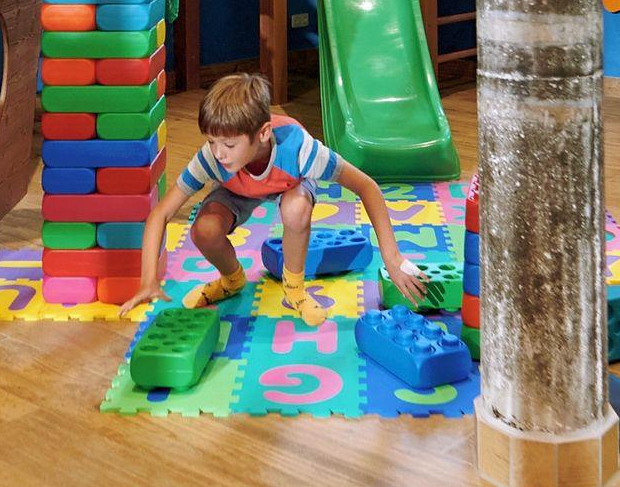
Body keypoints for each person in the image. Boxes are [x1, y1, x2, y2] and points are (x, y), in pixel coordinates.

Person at [117, 72, 429, 325]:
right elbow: (160, 214)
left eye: (228, 144)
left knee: (295, 210)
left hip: (289, 184)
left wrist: (393, 258)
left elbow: (367, 187)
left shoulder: (301, 150)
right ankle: (231, 280)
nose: (218, 152)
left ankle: (294, 289)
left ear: (264, 133)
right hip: (238, 188)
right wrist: (148, 280)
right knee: (204, 230)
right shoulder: (214, 157)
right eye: (212, 141)